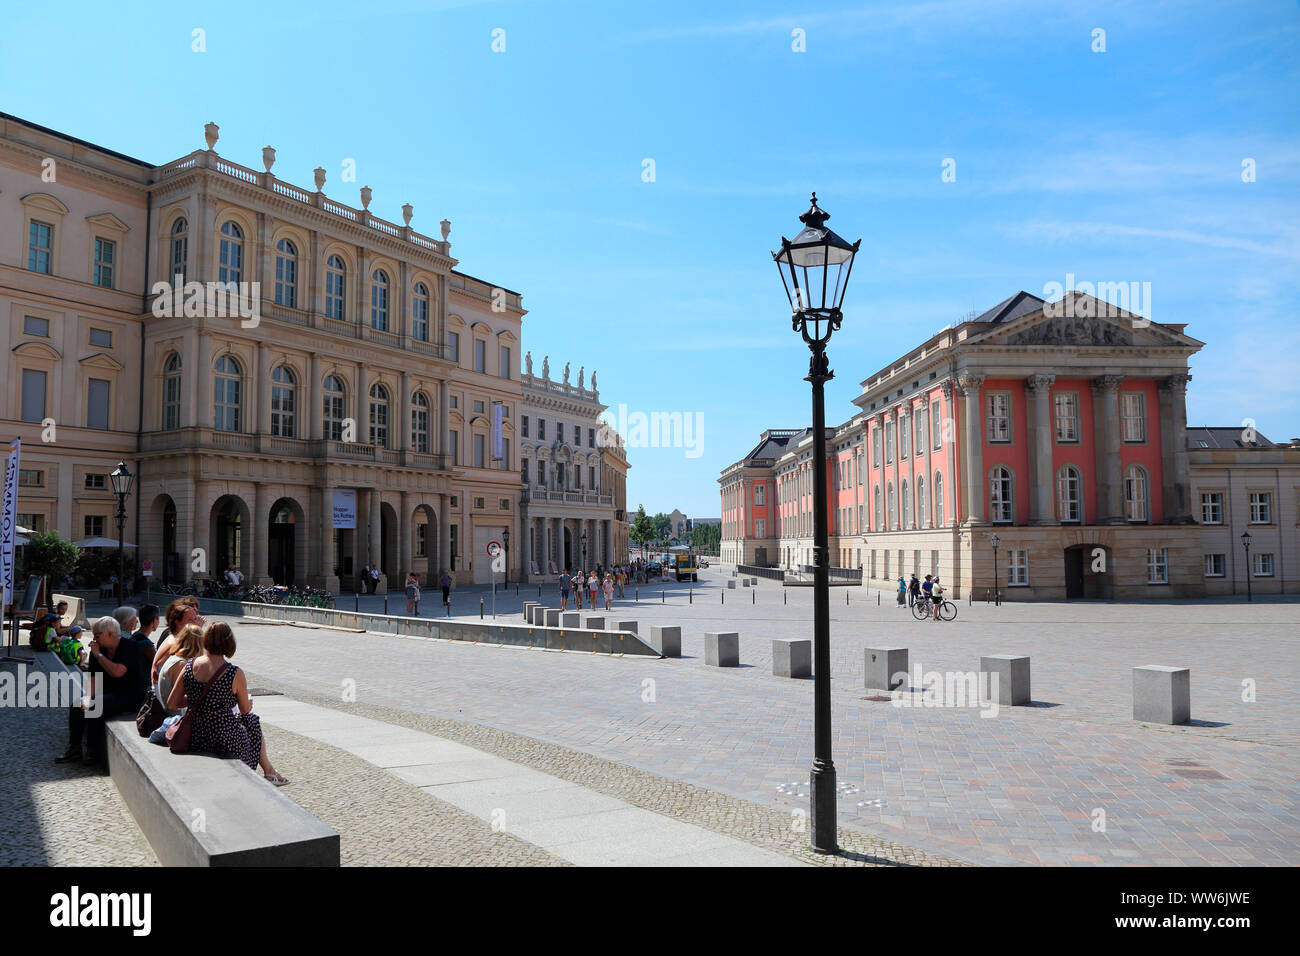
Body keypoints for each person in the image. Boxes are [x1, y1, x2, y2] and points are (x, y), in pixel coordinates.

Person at [166, 622, 288, 786]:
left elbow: (172, 702)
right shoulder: (233, 672)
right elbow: (244, 710)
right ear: (229, 643)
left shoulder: (189, 666)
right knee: (251, 720)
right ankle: (269, 772)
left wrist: (198, 700)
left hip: (195, 735)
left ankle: (270, 772)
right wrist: (243, 703)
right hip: (224, 738)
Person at [57, 616, 147, 765]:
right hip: (108, 693)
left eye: (97, 635)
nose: (94, 639)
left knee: (96, 705)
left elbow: (118, 672)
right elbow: (93, 678)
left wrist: (98, 655)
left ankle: (92, 751)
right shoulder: (98, 651)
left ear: (110, 633)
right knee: (77, 705)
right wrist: (86, 697)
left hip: (129, 695)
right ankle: (74, 749)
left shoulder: (130, 647)